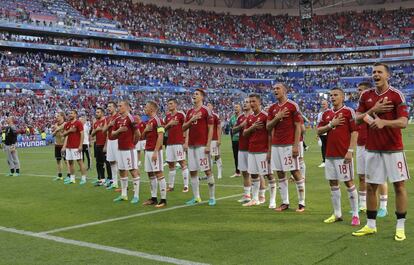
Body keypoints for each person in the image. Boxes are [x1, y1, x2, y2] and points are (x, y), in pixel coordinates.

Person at [353, 62, 410, 241]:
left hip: (393, 149)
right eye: (373, 72)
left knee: (399, 187)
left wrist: (385, 123)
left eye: (379, 72)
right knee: (371, 187)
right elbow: (357, 120)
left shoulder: (396, 95)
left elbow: (403, 122)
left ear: (388, 75)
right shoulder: (366, 95)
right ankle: (371, 225)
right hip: (372, 149)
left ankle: (400, 227)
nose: (375, 75)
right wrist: (373, 110)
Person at [317, 87, 360, 226]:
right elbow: (318, 130)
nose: (332, 97)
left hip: (343, 154)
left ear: (343, 97)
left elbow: (354, 132)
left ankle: (355, 214)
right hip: (330, 155)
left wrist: (350, 151)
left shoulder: (348, 112)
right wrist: (331, 124)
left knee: (348, 182)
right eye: (331, 95)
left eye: (335, 95)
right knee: (333, 183)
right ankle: (337, 213)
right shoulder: (326, 114)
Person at [267, 83, 305, 212]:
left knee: (295, 172)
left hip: (289, 145)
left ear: (284, 90)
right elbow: (268, 127)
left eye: (278, 88)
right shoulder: (272, 108)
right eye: (274, 89)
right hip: (276, 145)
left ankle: (301, 203)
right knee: (280, 173)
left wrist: (296, 146)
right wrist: (277, 117)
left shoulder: (292, 106)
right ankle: (285, 202)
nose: (275, 90)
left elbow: (298, 126)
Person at [355, 82, 389, 216]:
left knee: (380, 178)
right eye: (358, 90)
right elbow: (355, 123)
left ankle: (383, 206)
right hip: (360, 146)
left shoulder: (376, 108)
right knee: (362, 177)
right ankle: (362, 205)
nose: (359, 93)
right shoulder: (359, 109)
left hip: (374, 145)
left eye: (362, 90)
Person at [182, 88, 216, 206]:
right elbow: (183, 128)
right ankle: (196, 197)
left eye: (197, 94)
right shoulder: (190, 112)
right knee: (192, 171)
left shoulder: (206, 110)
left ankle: (212, 197)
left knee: (207, 171)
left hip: (202, 146)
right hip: (191, 146)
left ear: (202, 97)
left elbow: (211, 128)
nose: (194, 95)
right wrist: (192, 120)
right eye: (193, 94)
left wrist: (208, 144)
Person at [242, 94, 276, 208]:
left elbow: (271, 134)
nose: (251, 104)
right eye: (250, 101)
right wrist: (253, 127)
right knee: (254, 175)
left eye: (254, 101)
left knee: (269, 175)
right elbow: (245, 133)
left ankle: (272, 200)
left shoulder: (265, 116)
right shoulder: (250, 117)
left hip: (263, 150)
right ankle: (255, 199)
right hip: (252, 150)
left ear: (259, 102)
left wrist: (270, 151)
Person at [112, 101, 141, 204]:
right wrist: (119, 131)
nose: (118, 107)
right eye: (118, 106)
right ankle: (124, 195)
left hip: (129, 150)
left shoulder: (131, 118)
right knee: (122, 171)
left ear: (127, 107)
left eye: (120, 106)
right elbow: (112, 135)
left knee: (133, 171)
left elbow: (138, 133)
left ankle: (136, 196)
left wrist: (133, 144)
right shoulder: (117, 120)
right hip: (120, 149)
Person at [142, 101, 167, 208]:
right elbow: (142, 137)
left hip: (154, 151)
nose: (144, 108)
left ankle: (163, 200)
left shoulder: (158, 120)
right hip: (147, 150)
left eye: (146, 106)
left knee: (159, 173)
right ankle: (153, 198)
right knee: (150, 174)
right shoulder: (149, 121)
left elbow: (161, 136)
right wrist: (146, 130)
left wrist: (156, 151)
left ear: (152, 109)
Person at [164, 99, 189, 193]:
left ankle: (186, 185)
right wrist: (169, 124)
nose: (169, 105)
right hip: (169, 143)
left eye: (171, 104)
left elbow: (187, 127)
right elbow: (163, 129)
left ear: (176, 104)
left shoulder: (181, 114)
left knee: (182, 163)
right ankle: (171, 186)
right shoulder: (167, 117)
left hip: (179, 142)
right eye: (168, 104)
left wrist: (186, 141)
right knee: (171, 165)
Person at [232, 98, 252, 203]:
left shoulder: (255, 116)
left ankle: (260, 196)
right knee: (244, 172)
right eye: (244, 102)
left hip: (253, 149)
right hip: (242, 148)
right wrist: (241, 126)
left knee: (255, 173)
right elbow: (233, 130)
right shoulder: (240, 117)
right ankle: (247, 195)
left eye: (247, 102)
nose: (245, 104)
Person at [62, 110, 87, 185]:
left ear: (75, 115)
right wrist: (70, 130)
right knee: (70, 162)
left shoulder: (78, 123)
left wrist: (80, 145)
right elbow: (64, 134)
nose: (70, 114)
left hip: (76, 146)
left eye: (72, 113)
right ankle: (72, 178)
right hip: (68, 146)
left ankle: (83, 178)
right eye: (69, 113)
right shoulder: (67, 124)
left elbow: (82, 134)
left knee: (80, 162)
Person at [91, 107, 112, 186]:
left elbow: (107, 134)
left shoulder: (106, 120)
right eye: (96, 112)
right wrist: (96, 130)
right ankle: (101, 179)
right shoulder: (95, 123)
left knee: (107, 163)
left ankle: (110, 179)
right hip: (97, 144)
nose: (96, 114)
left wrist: (106, 145)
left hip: (104, 144)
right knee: (98, 163)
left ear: (102, 113)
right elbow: (92, 134)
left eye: (98, 112)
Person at [103, 101, 120, 190]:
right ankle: (115, 182)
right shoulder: (108, 118)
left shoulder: (118, 116)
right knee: (112, 162)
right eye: (108, 106)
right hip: (110, 141)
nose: (108, 108)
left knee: (120, 162)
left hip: (117, 141)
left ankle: (124, 183)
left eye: (110, 106)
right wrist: (109, 125)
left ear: (115, 107)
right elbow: (103, 130)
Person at [207, 103, 223, 179]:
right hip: (207, 140)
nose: (208, 106)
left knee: (217, 155)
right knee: (208, 156)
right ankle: (211, 173)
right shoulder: (205, 116)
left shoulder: (215, 116)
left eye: (209, 105)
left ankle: (219, 171)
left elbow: (219, 127)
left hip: (214, 139)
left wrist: (219, 139)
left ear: (212, 107)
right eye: (207, 105)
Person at [52, 112, 67, 181]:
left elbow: (63, 135)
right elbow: (53, 134)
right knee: (58, 161)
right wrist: (55, 131)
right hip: (57, 145)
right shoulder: (56, 125)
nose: (56, 117)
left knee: (66, 161)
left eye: (58, 116)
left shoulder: (65, 124)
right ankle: (60, 175)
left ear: (62, 116)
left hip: (63, 145)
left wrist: (57, 128)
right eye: (56, 116)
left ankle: (69, 175)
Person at [229, 104, 242, 178]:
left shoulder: (243, 117)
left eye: (237, 107)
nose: (235, 108)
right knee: (236, 156)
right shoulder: (232, 118)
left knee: (244, 156)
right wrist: (231, 139)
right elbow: (231, 129)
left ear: (240, 108)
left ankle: (246, 171)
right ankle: (237, 172)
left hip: (242, 140)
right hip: (235, 140)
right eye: (235, 107)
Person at [317, 100, 329, 168]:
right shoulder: (320, 114)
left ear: (327, 105)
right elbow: (318, 124)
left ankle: (329, 161)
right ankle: (324, 161)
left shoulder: (331, 112)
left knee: (329, 147)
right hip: (322, 133)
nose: (323, 105)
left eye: (324, 104)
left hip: (329, 133)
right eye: (322, 104)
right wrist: (317, 134)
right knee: (323, 147)